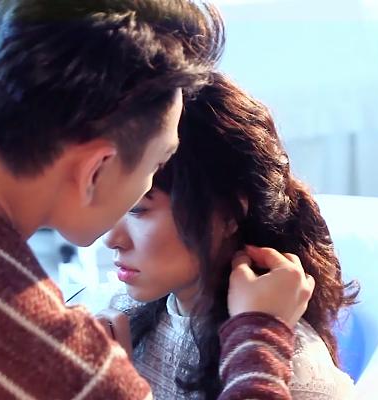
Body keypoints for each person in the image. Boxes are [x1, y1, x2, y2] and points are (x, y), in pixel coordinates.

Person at [0, 1, 311, 398]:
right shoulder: (67, 371)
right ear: (96, 169)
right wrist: (258, 336)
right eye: (156, 163)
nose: (145, 187)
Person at [103, 73, 359, 399]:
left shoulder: (293, 370)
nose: (111, 238)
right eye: (113, 203)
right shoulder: (124, 321)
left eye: (138, 209)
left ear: (228, 213)